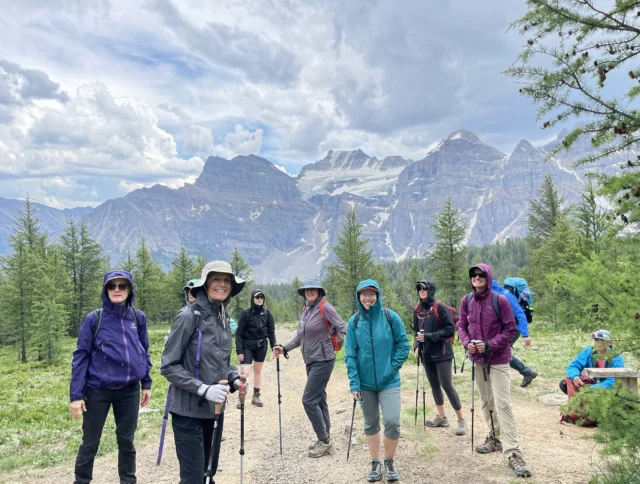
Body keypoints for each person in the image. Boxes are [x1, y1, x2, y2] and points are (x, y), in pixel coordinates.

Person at [161, 261, 249, 484]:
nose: (222, 284)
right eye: (216, 279)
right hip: (188, 412)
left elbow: (221, 363)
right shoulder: (188, 316)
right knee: (193, 479)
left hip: (214, 411)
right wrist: (203, 389)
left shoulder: (223, 318)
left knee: (209, 473)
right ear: (205, 284)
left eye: (227, 280)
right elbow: (168, 365)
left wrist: (233, 378)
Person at [70, 270, 152, 484]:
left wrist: (147, 383)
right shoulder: (94, 319)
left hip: (129, 390)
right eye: (112, 286)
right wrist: (76, 395)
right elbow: (81, 356)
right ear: (105, 290)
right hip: (97, 390)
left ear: (129, 289)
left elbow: (144, 350)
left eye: (122, 286)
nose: (117, 290)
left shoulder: (138, 317)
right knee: (90, 442)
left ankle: (128, 481)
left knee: (127, 441)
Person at [457, 263, 532, 478]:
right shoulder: (467, 300)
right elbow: (461, 325)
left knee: (503, 403)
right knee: (486, 401)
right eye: (473, 275)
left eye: (481, 275)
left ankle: (513, 452)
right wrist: (466, 343)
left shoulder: (499, 300)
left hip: (498, 359)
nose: (477, 278)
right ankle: (494, 437)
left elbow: (511, 328)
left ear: (488, 277)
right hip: (477, 359)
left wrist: (490, 344)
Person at [273, 277, 346, 458]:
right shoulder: (306, 309)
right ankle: (325, 439)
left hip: (324, 359)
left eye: (313, 289)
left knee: (308, 399)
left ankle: (325, 440)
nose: (309, 291)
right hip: (311, 360)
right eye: (307, 289)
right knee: (319, 399)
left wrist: (359, 344)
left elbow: (343, 326)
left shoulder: (325, 307)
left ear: (319, 291)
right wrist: (284, 348)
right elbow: (300, 336)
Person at [345, 280, 410, 482]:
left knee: (392, 421)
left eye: (371, 294)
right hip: (365, 384)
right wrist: (354, 384)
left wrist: (392, 368)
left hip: (389, 381)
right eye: (363, 294)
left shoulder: (391, 318)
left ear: (378, 295)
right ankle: (375, 462)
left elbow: (403, 344)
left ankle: (389, 461)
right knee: (370, 423)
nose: (368, 298)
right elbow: (350, 355)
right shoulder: (354, 322)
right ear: (358, 296)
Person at [413, 280, 466, 436]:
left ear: (431, 290)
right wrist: (416, 345)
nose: (421, 291)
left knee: (447, 386)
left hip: (442, 353)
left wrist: (428, 337)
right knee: (434, 386)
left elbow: (450, 330)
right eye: (419, 289)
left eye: (424, 288)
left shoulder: (439, 307)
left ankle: (461, 420)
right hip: (426, 354)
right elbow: (416, 331)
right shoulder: (417, 310)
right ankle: (442, 418)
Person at [492, 280, 538, 388]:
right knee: (498, 351)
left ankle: (526, 372)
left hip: (513, 329)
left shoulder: (507, 296)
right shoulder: (496, 293)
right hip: (504, 329)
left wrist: (525, 335)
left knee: (500, 351)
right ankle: (527, 372)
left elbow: (520, 314)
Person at [236, 289, 277, 408]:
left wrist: (273, 346)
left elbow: (271, 332)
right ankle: (241, 398)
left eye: (261, 297)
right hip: (247, 346)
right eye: (257, 297)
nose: (259, 299)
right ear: (252, 299)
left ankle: (256, 396)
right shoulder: (246, 313)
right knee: (245, 372)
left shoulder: (267, 313)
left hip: (261, 346)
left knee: (258, 371)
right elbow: (239, 333)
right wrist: (239, 350)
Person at [560, 329, 624, 396]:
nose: (598, 342)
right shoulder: (588, 351)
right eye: (596, 340)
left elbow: (613, 381)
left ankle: (584, 400)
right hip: (593, 383)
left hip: (608, 388)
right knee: (565, 382)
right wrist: (575, 377)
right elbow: (574, 366)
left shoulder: (616, 357)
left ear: (609, 343)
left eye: (602, 340)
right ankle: (577, 403)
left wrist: (591, 389)